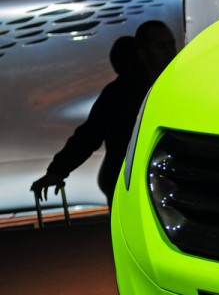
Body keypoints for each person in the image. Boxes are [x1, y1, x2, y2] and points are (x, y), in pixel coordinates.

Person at [30, 20, 177, 206]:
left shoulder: (142, 88)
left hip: (140, 179)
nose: (170, 51)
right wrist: (57, 171)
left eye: (171, 44)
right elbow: (90, 135)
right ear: (142, 51)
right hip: (132, 181)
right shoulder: (121, 93)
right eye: (161, 45)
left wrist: (57, 171)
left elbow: (89, 135)